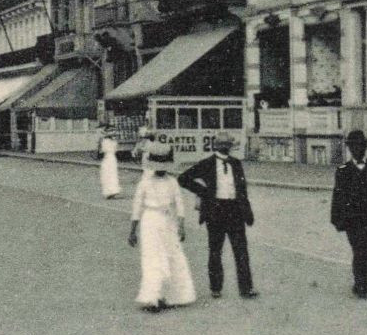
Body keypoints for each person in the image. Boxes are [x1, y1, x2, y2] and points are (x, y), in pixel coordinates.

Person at [177, 131, 257, 299]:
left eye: (228, 145)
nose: (227, 147)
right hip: (216, 210)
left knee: (241, 251)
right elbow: (183, 178)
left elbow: (242, 190)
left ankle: (246, 288)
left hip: (235, 210)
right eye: (225, 145)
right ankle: (215, 287)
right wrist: (204, 192)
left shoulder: (236, 163)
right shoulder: (207, 163)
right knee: (215, 251)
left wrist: (247, 212)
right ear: (218, 146)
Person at [127, 146, 196, 312]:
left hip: (163, 221)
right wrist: (133, 230)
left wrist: (181, 226)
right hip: (153, 221)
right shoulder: (148, 183)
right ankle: (154, 297)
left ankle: (166, 295)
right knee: (154, 258)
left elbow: (179, 205)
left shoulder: (170, 182)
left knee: (168, 256)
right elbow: (137, 207)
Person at [329, 128, 367, 297]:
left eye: (361, 146)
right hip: (352, 219)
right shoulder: (343, 170)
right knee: (359, 249)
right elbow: (338, 196)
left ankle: (363, 281)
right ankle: (359, 284)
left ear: (365, 147)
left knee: (366, 249)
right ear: (349, 148)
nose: (358, 149)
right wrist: (336, 219)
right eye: (354, 146)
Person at [98, 126, 122, 199]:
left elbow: (103, 150)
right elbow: (104, 150)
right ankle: (110, 191)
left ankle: (112, 191)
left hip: (110, 157)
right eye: (111, 131)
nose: (113, 133)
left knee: (111, 174)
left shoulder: (108, 141)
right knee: (108, 174)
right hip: (109, 157)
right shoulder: (107, 141)